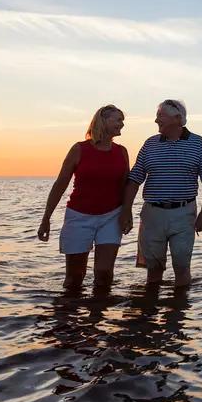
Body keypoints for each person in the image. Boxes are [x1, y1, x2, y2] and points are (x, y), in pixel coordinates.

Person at [121, 99, 202, 291]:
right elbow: (135, 179)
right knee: (153, 268)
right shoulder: (150, 144)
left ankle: (178, 312)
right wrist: (126, 211)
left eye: (160, 116)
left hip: (184, 212)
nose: (156, 120)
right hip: (152, 214)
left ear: (178, 118)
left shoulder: (198, 143)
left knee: (182, 266)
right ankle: (150, 309)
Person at [37, 104, 129, 293]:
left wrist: (126, 212)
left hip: (111, 216)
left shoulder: (122, 152)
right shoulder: (79, 149)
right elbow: (60, 184)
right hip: (79, 217)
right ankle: (70, 318)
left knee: (104, 274)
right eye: (118, 120)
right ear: (103, 120)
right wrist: (46, 218)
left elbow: (126, 186)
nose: (122, 124)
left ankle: (97, 317)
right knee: (74, 277)